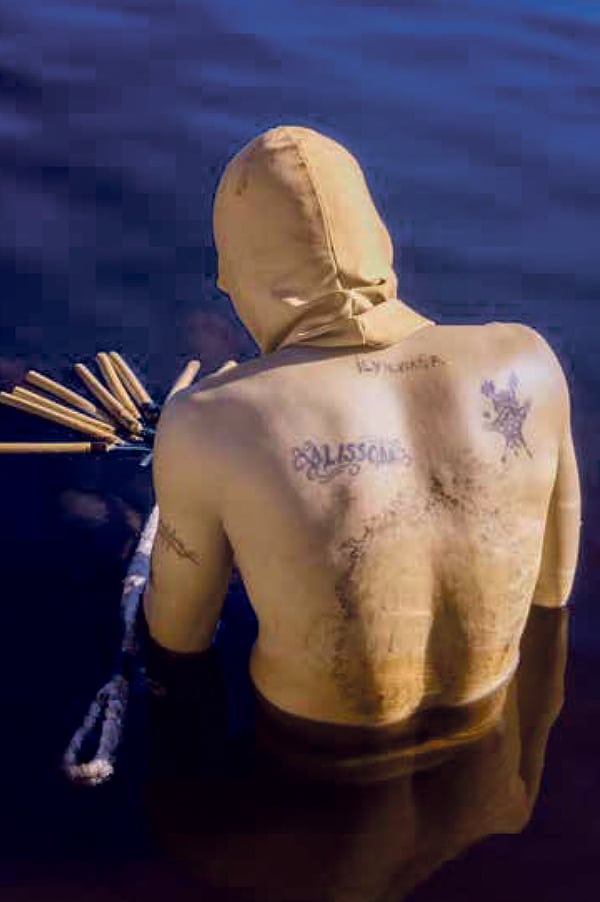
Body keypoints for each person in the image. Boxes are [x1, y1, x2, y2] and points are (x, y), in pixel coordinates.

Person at [141, 125, 581, 755]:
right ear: (376, 236)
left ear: (239, 273)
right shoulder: (529, 362)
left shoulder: (206, 420)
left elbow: (177, 639)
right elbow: (552, 597)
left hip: (314, 763)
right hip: (490, 735)